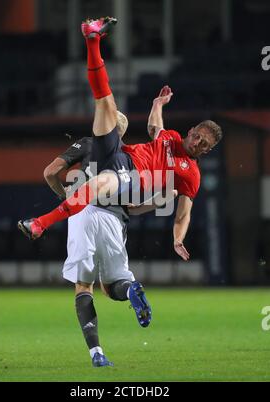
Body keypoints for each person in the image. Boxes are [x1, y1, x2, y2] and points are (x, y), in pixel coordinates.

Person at [18, 16, 223, 262]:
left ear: (207, 151)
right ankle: (92, 39)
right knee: (106, 104)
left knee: (95, 187)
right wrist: (157, 104)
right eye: (198, 136)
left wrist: (178, 238)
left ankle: (40, 224)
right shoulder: (172, 137)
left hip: (133, 177)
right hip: (119, 154)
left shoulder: (191, 173)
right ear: (191, 131)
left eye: (204, 144)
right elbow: (154, 126)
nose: (198, 143)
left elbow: (183, 214)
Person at [42, 133, 176, 367]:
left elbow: (50, 172)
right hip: (114, 219)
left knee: (84, 286)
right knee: (113, 286)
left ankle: (96, 353)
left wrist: (67, 199)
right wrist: (159, 200)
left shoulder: (89, 143)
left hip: (83, 212)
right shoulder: (131, 157)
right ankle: (130, 290)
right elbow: (132, 208)